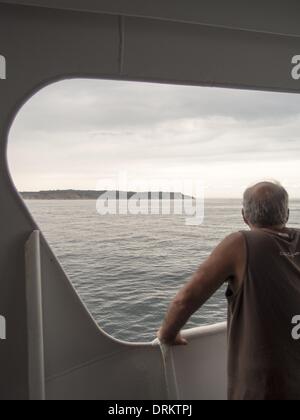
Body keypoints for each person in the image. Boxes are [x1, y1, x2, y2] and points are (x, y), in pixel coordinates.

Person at [157, 181, 300, 400]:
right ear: (287, 214)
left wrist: (167, 334)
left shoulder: (240, 243)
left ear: (244, 216)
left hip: (264, 387)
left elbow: (185, 300)